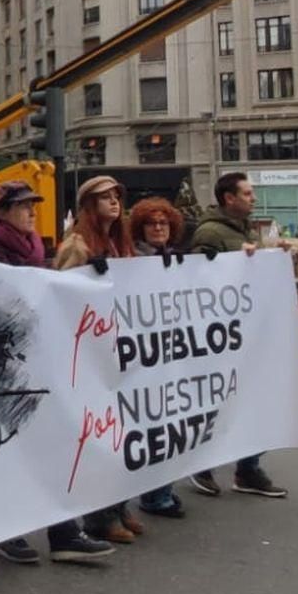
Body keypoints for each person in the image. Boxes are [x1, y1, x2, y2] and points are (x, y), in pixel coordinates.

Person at [0, 181, 114, 568]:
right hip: (7, 366)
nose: (32, 211)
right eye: (23, 206)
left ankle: (64, 532)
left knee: (53, 445)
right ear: (2, 212)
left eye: (32, 205)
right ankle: (8, 531)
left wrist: (84, 275)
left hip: (39, 359)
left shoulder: (36, 247)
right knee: (12, 450)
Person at [183, 172, 286, 501]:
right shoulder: (210, 232)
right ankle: (202, 464)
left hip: (244, 334)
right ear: (229, 198)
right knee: (215, 403)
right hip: (219, 338)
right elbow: (196, 282)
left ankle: (248, 468)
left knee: (254, 400)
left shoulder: (243, 229)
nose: (253, 198)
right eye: (247, 193)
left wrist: (274, 258)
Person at [50, 177, 142, 545]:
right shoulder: (77, 244)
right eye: (104, 198)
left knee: (122, 432)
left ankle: (118, 506)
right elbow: (60, 293)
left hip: (120, 351)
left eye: (116, 196)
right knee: (97, 436)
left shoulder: (123, 244)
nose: (113, 202)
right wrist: (85, 275)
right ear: (89, 206)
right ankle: (98, 516)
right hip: (90, 355)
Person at [128, 197, 191, 521]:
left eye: (163, 223)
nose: (157, 228)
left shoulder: (179, 260)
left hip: (171, 357)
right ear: (140, 229)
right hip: (142, 361)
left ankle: (161, 492)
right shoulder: (128, 262)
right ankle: (151, 495)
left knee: (170, 424)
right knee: (148, 427)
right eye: (151, 223)